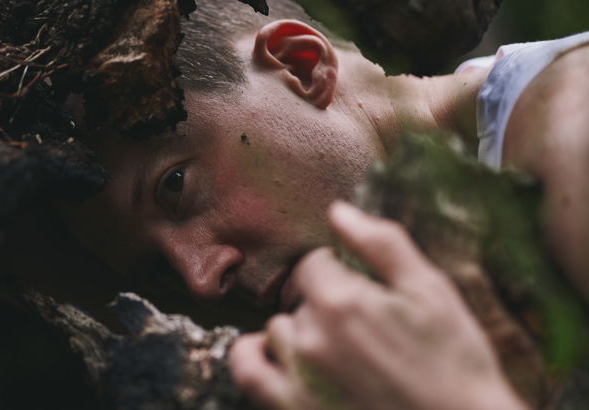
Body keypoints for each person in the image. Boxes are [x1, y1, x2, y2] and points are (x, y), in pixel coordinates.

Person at [56, 0, 589, 408]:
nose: (199, 280)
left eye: (175, 186)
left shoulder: (568, 132)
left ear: (301, 65)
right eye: (157, 269)